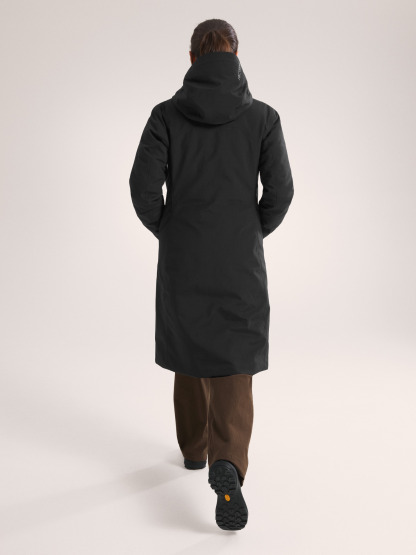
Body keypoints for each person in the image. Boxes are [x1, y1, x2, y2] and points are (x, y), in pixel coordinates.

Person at [129, 19, 294, 531]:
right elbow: (281, 192)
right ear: (236, 56)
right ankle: (229, 461)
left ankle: (194, 450)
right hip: (239, 258)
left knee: (190, 343)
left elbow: (142, 188)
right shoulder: (263, 118)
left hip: (184, 255)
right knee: (234, 355)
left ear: (192, 58)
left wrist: (170, 231)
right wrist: (251, 231)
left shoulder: (165, 115)